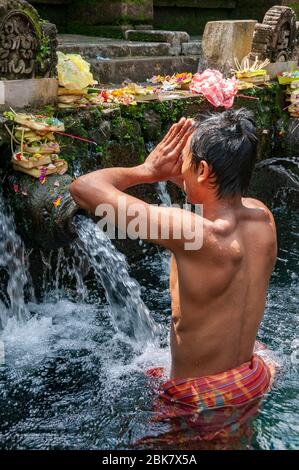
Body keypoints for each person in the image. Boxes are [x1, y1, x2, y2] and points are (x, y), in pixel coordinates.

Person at [70, 109, 277, 446]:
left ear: (204, 170)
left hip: (201, 399)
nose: (179, 168)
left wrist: (147, 171)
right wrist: (184, 174)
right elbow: (213, 201)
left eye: (186, 161)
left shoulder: (191, 232)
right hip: (250, 376)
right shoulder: (261, 217)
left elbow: (84, 188)